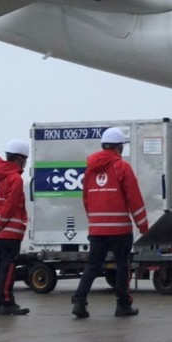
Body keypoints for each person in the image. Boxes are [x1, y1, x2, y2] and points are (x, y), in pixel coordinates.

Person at [71, 127, 149, 319]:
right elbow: (134, 198)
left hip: (97, 230)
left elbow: (86, 199)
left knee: (92, 265)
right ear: (119, 148)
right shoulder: (121, 167)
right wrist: (143, 224)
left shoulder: (90, 169)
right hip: (120, 230)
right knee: (122, 265)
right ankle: (123, 305)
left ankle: (79, 301)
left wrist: (95, 221)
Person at [0, 139, 30, 316]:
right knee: (8, 268)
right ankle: (7, 302)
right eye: (25, 159)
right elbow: (10, 206)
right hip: (9, 234)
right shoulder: (15, 179)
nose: (25, 163)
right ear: (18, 159)